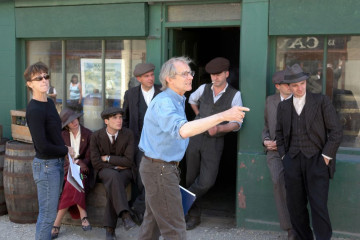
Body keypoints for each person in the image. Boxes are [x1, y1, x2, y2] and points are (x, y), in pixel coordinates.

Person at [137, 56, 249, 240]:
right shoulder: (165, 102)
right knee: (175, 228)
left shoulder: (178, 99)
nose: (190, 77)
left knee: (152, 224)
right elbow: (182, 129)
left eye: (190, 72)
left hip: (162, 168)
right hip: (159, 170)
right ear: (169, 79)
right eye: (184, 74)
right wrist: (223, 115)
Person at [276, 64, 342, 240]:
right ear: (288, 87)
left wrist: (325, 158)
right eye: (295, 85)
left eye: (302, 84)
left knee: (319, 207)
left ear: (306, 82)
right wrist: (284, 157)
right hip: (293, 161)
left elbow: (336, 132)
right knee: (295, 207)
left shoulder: (321, 101)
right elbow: (279, 135)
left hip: (317, 160)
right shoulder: (283, 107)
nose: (299, 88)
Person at [185, 57, 243, 230]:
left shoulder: (235, 94)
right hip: (195, 137)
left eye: (218, 75)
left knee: (206, 181)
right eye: (212, 75)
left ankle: (181, 202)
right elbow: (191, 100)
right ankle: (194, 216)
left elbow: (238, 122)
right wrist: (199, 117)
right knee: (190, 177)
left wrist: (219, 129)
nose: (215, 78)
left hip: (214, 142)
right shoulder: (203, 88)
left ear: (226, 74)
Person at [24, 62, 74, 240]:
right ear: (30, 84)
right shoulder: (34, 109)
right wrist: (65, 149)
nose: (44, 80)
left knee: (49, 214)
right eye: (39, 78)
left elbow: (55, 134)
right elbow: (42, 145)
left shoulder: (50, 103)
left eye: (46, 76)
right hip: (46, 166)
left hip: (56, 164)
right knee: (47, 216)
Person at [123, 62, 161, 224]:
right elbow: (124, 118)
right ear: (138, 78)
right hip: (138, 143)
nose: (151, 78)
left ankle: (140, 209)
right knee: (140, 177)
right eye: (146, 76)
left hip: (159, 143)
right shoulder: (130, 94)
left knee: (155, 176)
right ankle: (143, 210)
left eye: (152, 75)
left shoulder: (163, 92)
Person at [90, 107, 136, 240]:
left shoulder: (128, 134)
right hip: (104, 171)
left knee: (115, 182)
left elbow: (128, 161)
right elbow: (96, 163)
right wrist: (117, 166)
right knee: (115, 177)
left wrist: (108, 158)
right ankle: (125, 215)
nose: (119, 120)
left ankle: (110, 230)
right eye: (115, 118)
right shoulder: (96, 136)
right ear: (106, 121)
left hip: (125, 172)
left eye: (120, 117)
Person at [261, 71, 295, 240]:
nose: (290, 87)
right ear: (277, 87)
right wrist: (266, 140)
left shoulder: (301, 100)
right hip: (274, 152)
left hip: (295, 152)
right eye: (286, 84)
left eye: (291, 83)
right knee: (278, 180)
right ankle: (290, 228)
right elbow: (266, 125)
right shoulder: (270, 101)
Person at [51, 108, 94, 239]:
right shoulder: (62, 135)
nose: (74, 122)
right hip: (66, 170)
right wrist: (72, 164)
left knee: (76, 177)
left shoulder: (88, 134)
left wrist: (80, 162)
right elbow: (60, 155)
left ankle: (57, 222)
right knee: (73, 178)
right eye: (70, 122)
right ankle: (83, 214)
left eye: (74, 119)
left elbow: (89, 157)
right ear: (66, 125)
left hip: (83, 172)